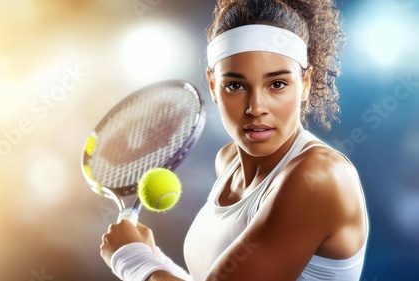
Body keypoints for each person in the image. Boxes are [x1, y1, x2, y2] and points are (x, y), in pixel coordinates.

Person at [100, 0, 369, 280]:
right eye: (236, 85)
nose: (256, 107)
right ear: (214, 86)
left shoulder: (319, 178)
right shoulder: (227, 161)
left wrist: (131, 258)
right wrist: (155, 259)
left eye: (277, 84)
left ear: (306, 84)